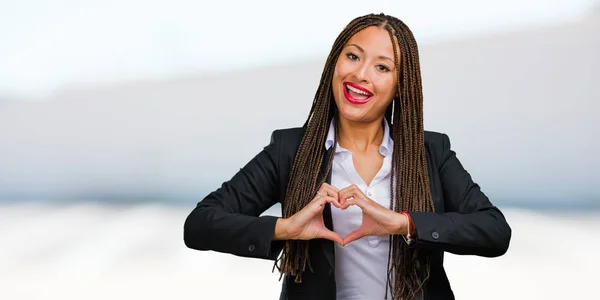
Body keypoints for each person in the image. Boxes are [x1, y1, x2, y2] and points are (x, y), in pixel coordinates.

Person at [183, 13, 511, 300]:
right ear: (334, 64)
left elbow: (494, 231)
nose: (361, 74)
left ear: (400, 85)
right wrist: (286, 228)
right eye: (353, 56)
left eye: (382, 66)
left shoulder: (430, 152)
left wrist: (402, 223)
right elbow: (199, 225)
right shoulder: (290, 150)